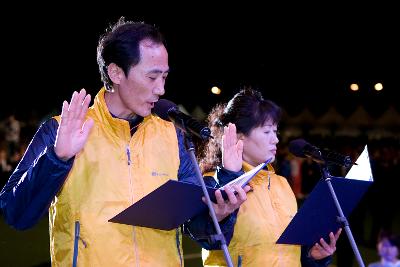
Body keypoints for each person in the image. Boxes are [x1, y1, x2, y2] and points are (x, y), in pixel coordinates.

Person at [0, 17, 248, 266]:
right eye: (152, 77)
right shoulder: (61, 130)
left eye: (164, 77)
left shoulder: (173, 136)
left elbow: (198, 228)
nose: (161, 89)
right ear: (116, 72)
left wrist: (218, 214)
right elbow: (16, 214)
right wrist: (57, 158)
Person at [197, 88, 342, 266]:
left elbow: (288, 252)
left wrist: (311, 256)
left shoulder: (281, 184)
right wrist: (230, 175)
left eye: (276, 131)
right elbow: (206, 237)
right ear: (239, 136)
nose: (276, 140)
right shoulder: (212, 182)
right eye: (267, 132)